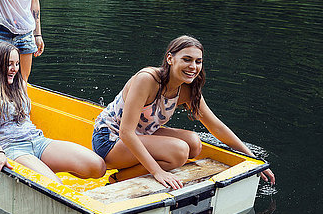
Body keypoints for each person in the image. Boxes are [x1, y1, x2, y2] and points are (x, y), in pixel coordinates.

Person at [92, 35, 276, 190]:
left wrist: (253, 159)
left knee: (194, 143)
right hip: (110, 140)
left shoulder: (188, 89)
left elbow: (216, 127)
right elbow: (126, 132)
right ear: (170, 59)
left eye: (198, 61)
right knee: (179, 152)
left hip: (141, 134)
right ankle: (119, 178)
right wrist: (157, 171)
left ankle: (134, 170)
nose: (193, 67)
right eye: (186, 59)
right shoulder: (147, 79)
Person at [0, 41, 106, 183]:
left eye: (17, 64)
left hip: (37, 141)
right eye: (9, 64)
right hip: (10, 147)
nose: (14, 69)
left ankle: (42, 167)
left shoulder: (20, 84)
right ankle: (41, 171)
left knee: (98, 166)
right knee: (56, 186)